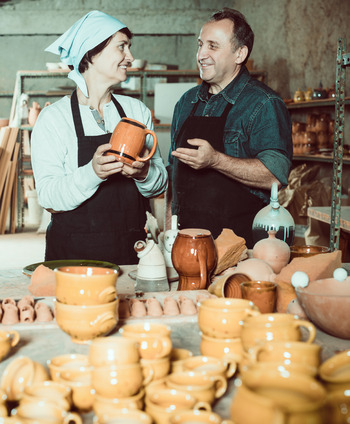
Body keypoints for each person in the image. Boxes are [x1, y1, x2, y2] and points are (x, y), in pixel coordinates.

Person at [31, 10, 168, 265]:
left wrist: (143, 173)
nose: (131, 57)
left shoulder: (136, 111)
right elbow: (49, 197)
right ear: (91, 54)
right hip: (73, 257)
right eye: (122, 47)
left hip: (132, 253)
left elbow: (159, 183)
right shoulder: (54, 119)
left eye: (129, 47)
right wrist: (92, 173)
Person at [167, 8, 292, 248]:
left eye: (213, 46)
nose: (201, 54)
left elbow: (276, 175)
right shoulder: (186, 102)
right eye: (200, 44)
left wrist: (215, 161)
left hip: (240, 248)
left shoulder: (263, 103)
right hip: (186, 242)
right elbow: (174, 174)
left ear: (239, 54)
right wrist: (168, 231)